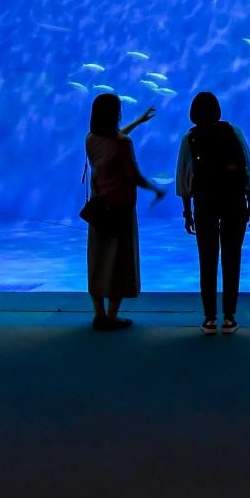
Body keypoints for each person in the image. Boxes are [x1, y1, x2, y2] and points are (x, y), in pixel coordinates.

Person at [175, 92, 250, 334]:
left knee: (207, 260)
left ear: (193, 113)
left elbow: (184, 178)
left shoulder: (190, 138)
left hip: (204, 203)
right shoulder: (234, 132)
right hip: (234, 202)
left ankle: (209, 318)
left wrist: (187, 212)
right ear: (218, 110)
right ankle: (229, 317)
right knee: (233, 259)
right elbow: (247, 167)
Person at [84, 93, 165, 331]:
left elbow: (112, 143)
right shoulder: (123, 143)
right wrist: (156, 189)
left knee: (98, 260)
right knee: (119, 262)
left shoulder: (90, 139)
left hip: (98, 208)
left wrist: (138, 122)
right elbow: (134, 175)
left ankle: (98, 314)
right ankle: (111, 316)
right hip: (120, 208)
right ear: (115, 114)